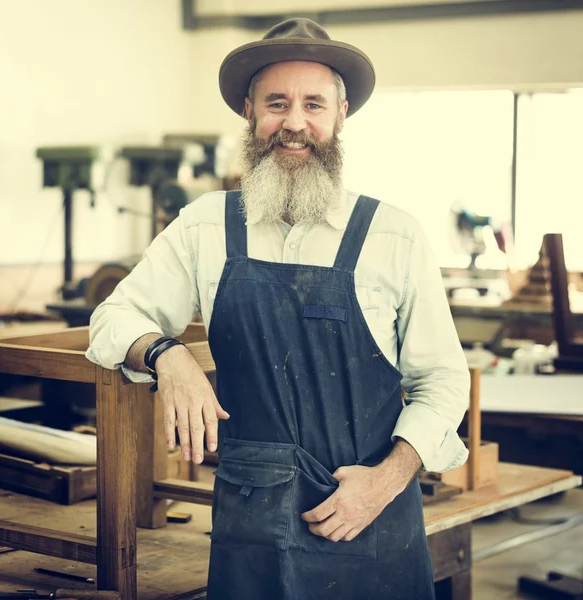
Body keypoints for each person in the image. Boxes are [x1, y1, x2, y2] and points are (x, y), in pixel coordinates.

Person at [87, 17, 470, 600]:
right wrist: (168, 355)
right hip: (252, 522)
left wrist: (386, 480)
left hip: (368, 514)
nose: (294, 122)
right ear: (250, 113)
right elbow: (112, 320)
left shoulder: (394, 236)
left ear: (341, 116)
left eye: (313, 104)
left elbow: (442, 381)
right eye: (276, 103)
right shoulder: (205, 225)